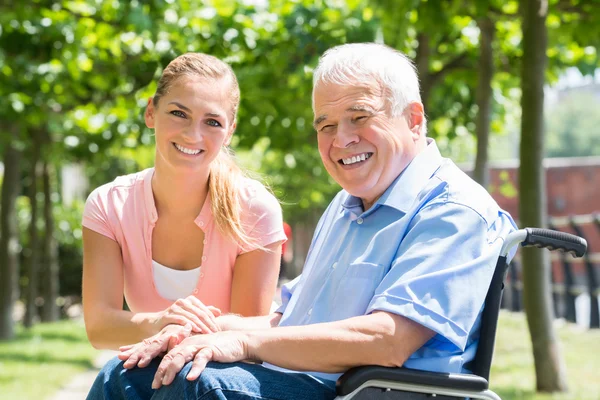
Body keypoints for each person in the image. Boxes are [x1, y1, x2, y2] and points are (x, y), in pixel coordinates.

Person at [88, 43, 517, 400]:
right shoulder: (348, 205)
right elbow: (288, 320)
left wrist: (241, 342)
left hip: (368, 391)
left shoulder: (454, 210)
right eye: (326, 124)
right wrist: (192, 331)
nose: (341, 138)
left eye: (359, 116)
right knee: (125, 374)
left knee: (193, 385)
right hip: (307, 380)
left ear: (414, 118)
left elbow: (388, 341)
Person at [81, 52, 287, 352]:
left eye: (213, 122)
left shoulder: (255, 210)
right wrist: (160, 323)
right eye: (179, 113)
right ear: (151, 112)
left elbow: (243, 343)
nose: (193, 134)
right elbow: (100, 328)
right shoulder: (108, 205)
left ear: (230, 131)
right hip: (146, 370)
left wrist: (170, 334)